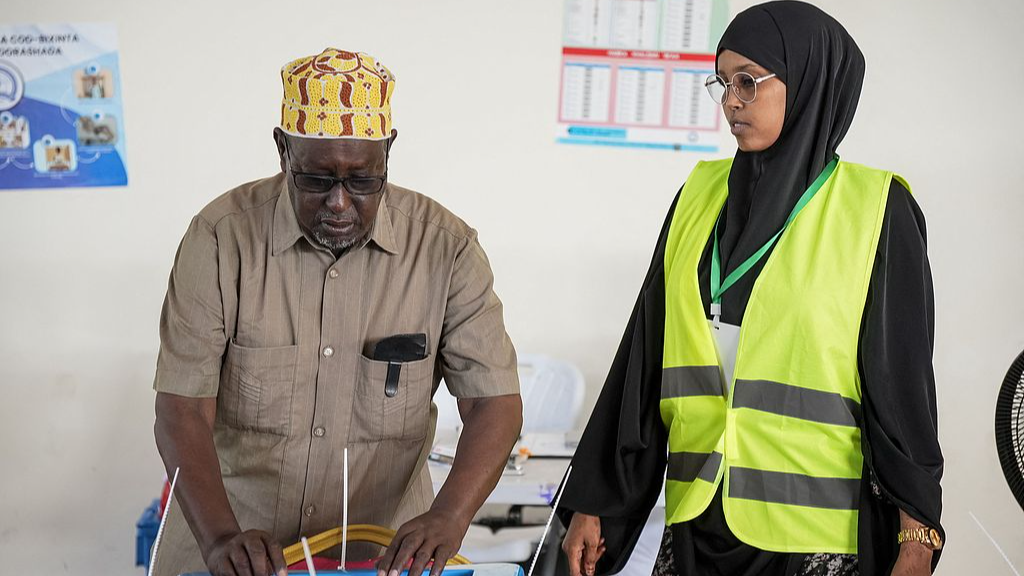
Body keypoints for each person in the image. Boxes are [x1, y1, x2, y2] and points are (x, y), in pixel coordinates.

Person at [557, 3, 944, 576]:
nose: (731, 100)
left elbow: (901, 382)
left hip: (815, 538)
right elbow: (643, 354)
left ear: (812, 81)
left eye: (749, 81)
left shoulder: (877, 209)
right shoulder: (699, 193)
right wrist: (597, 500)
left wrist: (919, 530)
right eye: (722, 82)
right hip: (697, 522)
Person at [152, 48, 523, 576]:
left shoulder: (448, 249)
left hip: (383, 558)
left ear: (388, 155)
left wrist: (449, 517)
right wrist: (220, 538)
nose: (340, 203)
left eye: (363, 181)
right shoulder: (219, 240)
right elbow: (181, 409)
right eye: (318, 180)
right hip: (234, 553)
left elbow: (495, 404)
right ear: (283, 151)